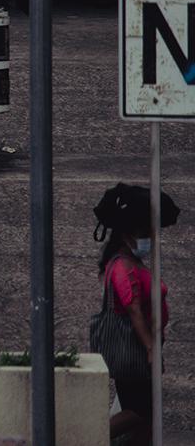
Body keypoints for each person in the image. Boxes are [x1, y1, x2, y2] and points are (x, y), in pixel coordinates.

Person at [91, 182, 171, 445]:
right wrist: (150, 347)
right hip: (134, 350)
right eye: (143, 231)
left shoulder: (131, 262)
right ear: (126, 235)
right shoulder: (122, 267)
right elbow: (133, 309)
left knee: (147, 416)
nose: (148, 236)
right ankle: (84, 435)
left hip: (142, 347)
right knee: (140, 411)